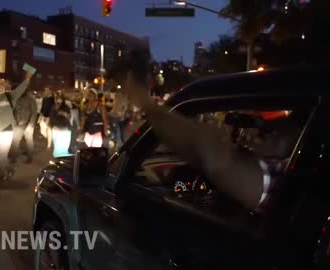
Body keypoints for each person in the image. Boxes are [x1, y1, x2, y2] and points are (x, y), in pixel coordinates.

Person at [124, 72, 298, 212]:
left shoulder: (286, 186)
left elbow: (209, 153)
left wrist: (146, 103)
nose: (253, 137)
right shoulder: (298, 171)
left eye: (267, 133)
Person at [0, 72, 33, 182]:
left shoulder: (11, 96)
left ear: (8, 85)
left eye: (4, 83)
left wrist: (27, 79)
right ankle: (10, 169)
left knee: (2, 155)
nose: (1, 85)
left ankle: (0, 176)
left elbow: (22, 88)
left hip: (7, 129)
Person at [10, 89, 38, 164]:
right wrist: (13, 122)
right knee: (15, 141)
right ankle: (13, 157)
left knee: (29, 141)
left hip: (27, 123)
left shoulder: (30, 99)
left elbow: (34, 112)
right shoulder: (14, 98)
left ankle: (30, 157)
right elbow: (11, 111)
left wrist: (31, 124)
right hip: (17, 124)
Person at [48, 92, 72, 158]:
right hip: (55, 130)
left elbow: (69, 116)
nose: (57, 100)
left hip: (64, 131)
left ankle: (63, 162)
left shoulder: (66, 107)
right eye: (56, 98)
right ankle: (58, 161)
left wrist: (63, 113)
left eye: (59, 98)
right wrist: (49, 142)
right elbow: (51, 119)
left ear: (62, 99)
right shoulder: (53, 107)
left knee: (63, 150)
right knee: (57, 149)